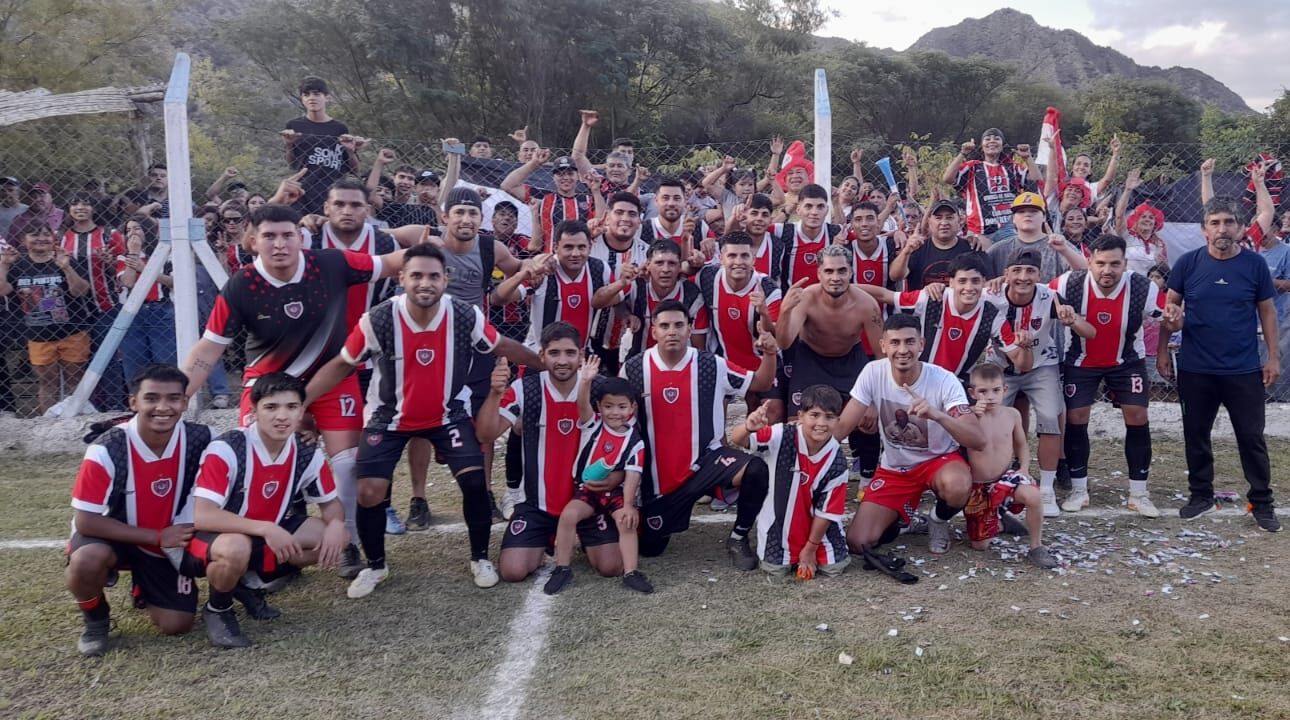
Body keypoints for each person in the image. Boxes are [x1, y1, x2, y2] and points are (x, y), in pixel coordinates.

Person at [182, 203, 411, 580]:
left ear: (301, 237)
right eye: (269, 236)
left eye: (287, 234)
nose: (279, 243)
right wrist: (180, 395)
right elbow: (208, 348)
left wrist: (442, 241)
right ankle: (261, 553)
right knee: (254, 462)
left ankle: (348, 542)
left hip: (334, 379)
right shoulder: (241, 285)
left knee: (348, 462)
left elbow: (392, 261)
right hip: (268, 388)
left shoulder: (333, 263)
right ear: (253, 241)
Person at [306, 243, 541, 595]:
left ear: (446, 279)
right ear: (402, 278)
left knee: (475, 483)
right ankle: (376, 566)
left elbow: (503, 346)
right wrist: (301, 402)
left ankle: (480, 558)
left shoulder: (464, 315)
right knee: (370, 490)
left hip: (446, 415)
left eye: (433, 276)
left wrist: (546, 365)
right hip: (389, 418)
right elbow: (342, 364)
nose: (425, 283)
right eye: (416, 275)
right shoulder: (379, 319)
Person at [186, 373, 348, 647]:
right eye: (271, 407)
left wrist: (335, 525)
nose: (282, 416)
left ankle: (249, 581)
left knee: (337, 539)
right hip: (205, 538)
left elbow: (330, 503)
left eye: (291, 407)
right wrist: (266, 528)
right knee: (236, 547)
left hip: (261, 532)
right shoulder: (227, 448)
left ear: (302, 412)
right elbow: (202, 515)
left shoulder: (306, 451)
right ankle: (219, 608)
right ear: (253, 411)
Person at [66, 364, 213, 656]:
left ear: (185, 402)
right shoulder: (106, 448)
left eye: (173, 398)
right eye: (151, 398)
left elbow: (248, 445)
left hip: (167, 542)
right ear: (133, 402)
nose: (163, 407)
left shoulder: (204, 437)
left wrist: (303, 431)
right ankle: (96, 619)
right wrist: (158, 536)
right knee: (85, 561)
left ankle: (142, 587)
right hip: (116, 536)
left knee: (177, 625)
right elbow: (85, 521)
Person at [620, 300, 778, 567]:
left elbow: (761, 382)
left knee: (756, 470)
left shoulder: (711, 364)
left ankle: (739, 537)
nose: (672, 331)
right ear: (654, 331)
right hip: (660, 476)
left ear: (690, 328)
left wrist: (770, 354)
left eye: (679, 325)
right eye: (665, 325)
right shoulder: (634, 368)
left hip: (708, 461)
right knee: (651, 549)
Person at [1160, 196, 1280, 532]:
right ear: (1204, 230)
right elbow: (1170, 311)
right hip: (1196, 368)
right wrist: (1161, 349)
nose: (1222, 229)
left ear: (1241, 228)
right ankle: (1200, 495)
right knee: (1196, 435)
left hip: (1242, 369)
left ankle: (1261, 501)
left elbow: (1267, 312)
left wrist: (1272, 357)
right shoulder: (1188, 264)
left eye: (1229, 222)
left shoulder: (1255, 265)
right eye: (1215, 223)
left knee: (1251, 436)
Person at [838, 314, 985, 580]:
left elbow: (977, 439)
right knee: (858, 542)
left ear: (922, 344)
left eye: (909, 342)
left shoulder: (943, 379)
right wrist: (797, 438)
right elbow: (842, 427)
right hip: (896, 468)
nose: (902, 350)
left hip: (938, 461)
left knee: (957, 485)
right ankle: (905, 518)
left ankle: (938, 519)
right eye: (895, 343)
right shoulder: (873, 372)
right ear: (883, 345)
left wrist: (938, 415)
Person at [478, 323, 628, 583]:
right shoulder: (525, 388)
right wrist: (494, 393)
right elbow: (485, 435)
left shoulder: (600, 389)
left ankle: (577, 536)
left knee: (612, 566)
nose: (562, 361)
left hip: (588, 500)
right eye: (555, 353)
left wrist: (614, 480)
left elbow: (625, 443)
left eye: (570, 353)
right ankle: (547, 538)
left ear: (581, 355)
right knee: (512, 571)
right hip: (538, 503)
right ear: (542, 356)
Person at [1052, 235, 1164, 517]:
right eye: (1100, 263)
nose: (1107, 270)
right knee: (1076, 417)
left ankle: (1139, 493)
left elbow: (1169, 316)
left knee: (1137, 415)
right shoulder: (1070, 282)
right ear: (1089, 262)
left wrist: (1175, 317)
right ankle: (1079, 490)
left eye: (1115, 264)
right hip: (1081, 360)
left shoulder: (1142, 286)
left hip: (1127, 361)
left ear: (1125, 264)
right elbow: (1040, 293)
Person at [983, 248, 1094, 516]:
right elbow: (1020, 362)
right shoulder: (992, 299)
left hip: (1042, 363)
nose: (1024, 277)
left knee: (1049, 418)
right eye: (1017, 271)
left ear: (1040, 275)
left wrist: (1073, 320)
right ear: (1006, 273)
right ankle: (990, 483)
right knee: (989, 423)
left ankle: (1045, 489)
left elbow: (1090, 332)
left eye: (1030, 271)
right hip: (1001, 366)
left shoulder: (1049, 295)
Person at [544, 356, 650, 595]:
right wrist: (585, 381)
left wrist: (630, 506)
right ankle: (562, 568)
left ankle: (631, 572)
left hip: (614, 493)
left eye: (622, 407)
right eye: (609, 406)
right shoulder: (593, 425)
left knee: (626, 520)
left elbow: (633, 475)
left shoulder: (635, 442)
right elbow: (582, 404)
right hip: (587, 489)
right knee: (569, 514)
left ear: (632, 408)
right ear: (600, 407)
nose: (615, 412)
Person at [775, 244, 883, 476]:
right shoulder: (806, 298)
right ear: (819, 273)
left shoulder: (866, 304)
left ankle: (867, 474)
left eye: (842, 271)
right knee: (801, 423)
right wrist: (784, 311)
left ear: (851, 273)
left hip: (851, 360)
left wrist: (874, 398)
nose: (836, 277)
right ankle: (801, 474)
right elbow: (784, 343)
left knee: (867, 417)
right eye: (829, 271)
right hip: (810, 359)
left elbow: (881, 354)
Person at [728, 385, 852, 579]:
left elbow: (826, 512)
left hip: (816, 528)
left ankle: (816, 546)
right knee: (775, 570)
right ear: (800, 416)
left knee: (833, 568)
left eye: (829, 417)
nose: (821, 423)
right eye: (814, 415)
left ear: (837, 420)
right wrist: (747, 427)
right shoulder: (781, 435)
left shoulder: (837, 461)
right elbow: (738, 440)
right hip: (779, 527)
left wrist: (810, 549)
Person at [861, 253, 1020, 387]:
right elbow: (885, 295)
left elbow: (1021, 362)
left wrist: (1024, 345)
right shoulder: (932, 298)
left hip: (957, 384)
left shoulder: (992, 315)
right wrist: (846, 286)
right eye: (962, 281)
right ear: (951, 282)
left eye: (975, 281)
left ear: (984, 282)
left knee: (974, 422)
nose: (969, 287)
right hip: (919, 378)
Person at [961, 363, 1059, 568]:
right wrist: (974, 418)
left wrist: (1024, 468)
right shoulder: (967, 416)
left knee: (1034, 495)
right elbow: (960, 442)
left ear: (1005, 390)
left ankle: (1036, 547)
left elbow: (1021, 444)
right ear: (972, 393)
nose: (990, 397)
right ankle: (1000, 518)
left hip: (1006, 478)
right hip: (979, 485)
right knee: (980, 545)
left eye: (996, 390)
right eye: (983, 391)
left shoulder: (1012, 414)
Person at [0, 221, 91, 414]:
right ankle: (48, 422)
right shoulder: (18, 265)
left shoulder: (65, 260)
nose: (41, 238)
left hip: (72, 331)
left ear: (53, 238)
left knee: (74, 379)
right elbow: (3, 290)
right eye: (34, 234)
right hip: (38, 334)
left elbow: (81, 291)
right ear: (23, 240)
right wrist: (4, 265)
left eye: (45, 234)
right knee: (47, 381)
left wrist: (66, 268)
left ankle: (76, 417)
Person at [63, 191, 128, 410]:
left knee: (108, 358)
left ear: (94, 209)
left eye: (86, 203)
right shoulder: (60, 236)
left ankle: (114, 406)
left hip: (105, 305)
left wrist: (110, 263)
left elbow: (121, 269)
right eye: (75, 203)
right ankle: (83, 406)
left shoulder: (109, 234)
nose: (80, 207)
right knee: (77, 361)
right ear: (68, 209)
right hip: (71, 309)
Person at [282, 77, 361, 214]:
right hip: (303, 192)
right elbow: (292, 164)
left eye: (317, 94)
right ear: (302, 99)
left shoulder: (339, 128)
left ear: (327, 98)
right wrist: (289, 145)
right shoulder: (294, 126)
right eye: (306, 94)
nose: (312, 98)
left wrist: (350, 151)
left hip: (332, 192)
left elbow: (354, 170)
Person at [943, 129, 1037, 241]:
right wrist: (963, 153)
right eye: (987, 139)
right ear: (982, 147)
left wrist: (1027, 158)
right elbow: (947, 178)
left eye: (997, 138)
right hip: (979, 230)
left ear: (1002, 146)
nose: (992, 141)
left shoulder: (1012, 167)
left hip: (1009, 228)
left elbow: (1036, 181)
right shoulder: (973, 167)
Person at [116, 214, 177, 383]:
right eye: (128, 230)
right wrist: (134, 253)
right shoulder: (123, 257)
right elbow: (128, 282)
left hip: (161, 310)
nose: (132, 233)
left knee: (166, 360)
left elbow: (174, 281)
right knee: (135, 363)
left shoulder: (165, 253)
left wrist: (146, 269)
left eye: (137, 228)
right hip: (133, 312)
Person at [501, 151, 601, 252]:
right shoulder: (543, 197)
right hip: (550, 260)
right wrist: (534, 163)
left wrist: (596, 191)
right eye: (560, 174)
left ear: (577, 176)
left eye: (570, 173)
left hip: (580, 259)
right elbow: (508, 185)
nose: (566, 177)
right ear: (553, 177)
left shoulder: (587, 199)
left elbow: (601, 220)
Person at [626, 239, 706, 357]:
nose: (665, 269)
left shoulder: (693, 295)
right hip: (639, 364)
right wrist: (625, 314)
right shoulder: (636, 287)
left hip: (681, 366)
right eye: (659, 263)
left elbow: (699, 348)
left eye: (672, 263)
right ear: (648, 265)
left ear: (680, 266)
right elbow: (609, 303)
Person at [986, 192, 1087, 280]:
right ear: (1013, 219)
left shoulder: (1058, 245)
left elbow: (1086, 271)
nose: (1027, 215)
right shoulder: (999, 249)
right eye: (1021, 212)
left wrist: (1064, 250)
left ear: (1044, 217)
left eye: (1033, 211)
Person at [890, 200, 985, 290]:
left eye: (949, 217)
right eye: (938, 218)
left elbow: (987, 283)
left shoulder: (973, 247)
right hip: (924, 306)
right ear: (929, 222)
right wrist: (906, 251)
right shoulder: (917, 248)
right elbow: (895, 276)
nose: (944, 223)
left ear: (959, 221)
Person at [771, 184, 840, 290]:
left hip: (825, 302)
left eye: (820, 207)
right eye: (808, 206)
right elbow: (757, 229)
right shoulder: (784, 231)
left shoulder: (836, 232)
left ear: (826, 210)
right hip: (791, 301)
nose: (814, 212)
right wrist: (786, 212)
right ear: (798, 209)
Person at [0, 176, 27, 240]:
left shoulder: (27, 210)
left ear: (18, 192)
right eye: (2, 190)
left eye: (10, 190)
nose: (6, 193)